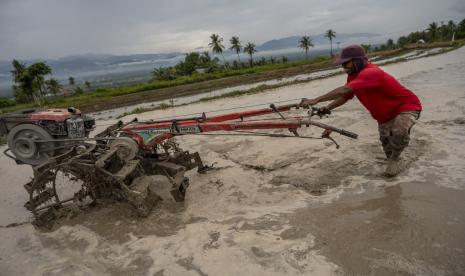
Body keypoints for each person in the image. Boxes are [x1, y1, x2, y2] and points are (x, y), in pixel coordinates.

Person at [300, 45, 422, 177]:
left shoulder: (371, 72)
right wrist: (327, 108)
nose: (343, 67)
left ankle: (396, 159)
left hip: (406, 107)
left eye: (346, 63)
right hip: (384, 116)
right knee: (387, 147)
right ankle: (394, 158)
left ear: (357, 61)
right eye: (342, 64)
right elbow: (345, 96)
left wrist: (316, 100)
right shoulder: (353, 77)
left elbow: (344, 90)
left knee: (399, 132)